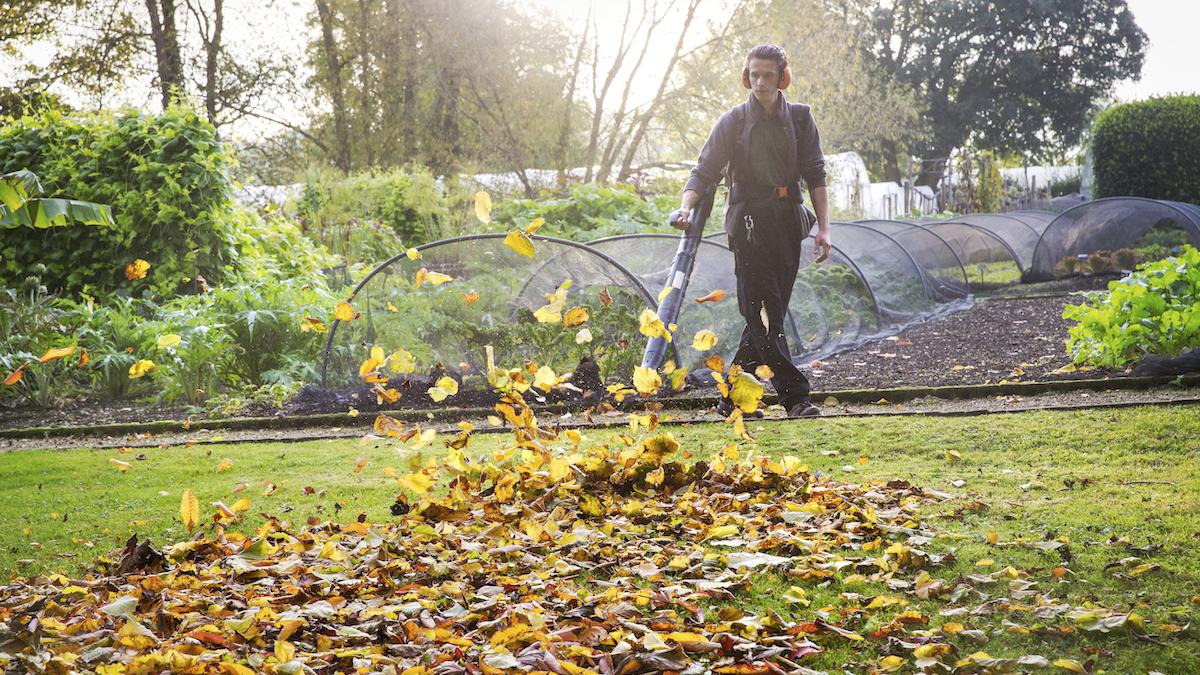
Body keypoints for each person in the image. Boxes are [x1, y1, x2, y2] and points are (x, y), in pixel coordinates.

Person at [675, 43, 831, 418]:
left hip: (788, 222)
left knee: (767, 316)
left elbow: (816, 175)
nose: (760, 82)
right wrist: (686, 207)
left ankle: (731, 400)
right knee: (763, 312)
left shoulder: (801, 119)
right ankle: (796, 398)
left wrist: (824, 229)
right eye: (754, 75)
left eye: (768, 75)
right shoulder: (732, 122)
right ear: (746, 77)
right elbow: (703, 171)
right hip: (748, 226)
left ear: (783, 78)